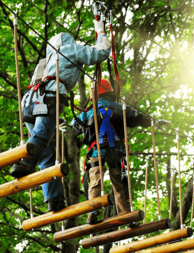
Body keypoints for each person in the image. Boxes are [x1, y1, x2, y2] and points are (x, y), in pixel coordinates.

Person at [11, 19, 111, 212]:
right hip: (49, 95)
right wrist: (100, 29)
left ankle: (54, 199)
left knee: (47, 153)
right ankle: (25, 161)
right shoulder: (70, 49)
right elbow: (102, 51)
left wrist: (56, 118)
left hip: (29, 102)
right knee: (41, 136)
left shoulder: (44, 62)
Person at [71, 79, 170, 224]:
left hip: (96, 152)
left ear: (93, 96)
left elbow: (74, 127)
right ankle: (126, 214)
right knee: (120, 184)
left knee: (95, 181)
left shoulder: (86, 114)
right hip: (116, 151)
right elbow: (139, 118)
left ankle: (92, 211)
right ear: (110, 94)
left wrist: (62, 126)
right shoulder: (121, 108)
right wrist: (154, 121)